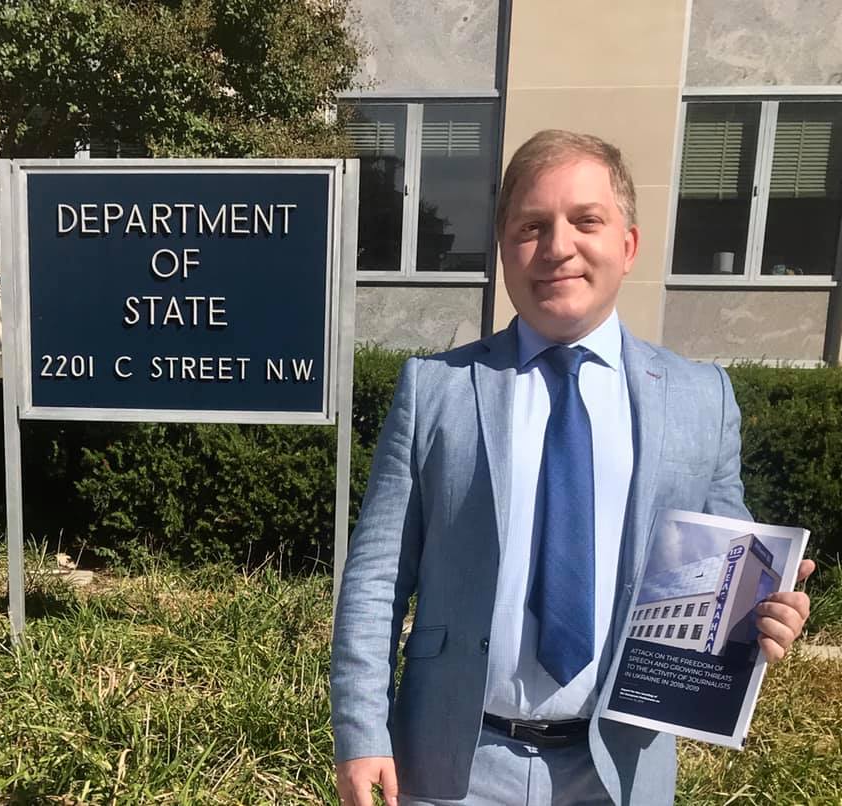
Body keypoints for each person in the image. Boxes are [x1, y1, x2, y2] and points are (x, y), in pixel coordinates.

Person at [330, 129, 814, 806]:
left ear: (629, 245)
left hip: (619, 768)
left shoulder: (701, 398)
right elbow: (377, 578)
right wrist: (361, 731)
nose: (558, 247)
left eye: (586, 220)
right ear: (504, 251)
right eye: (531, 227)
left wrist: (765, 613)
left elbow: (729, 571)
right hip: (450, 767)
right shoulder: (437, 389)